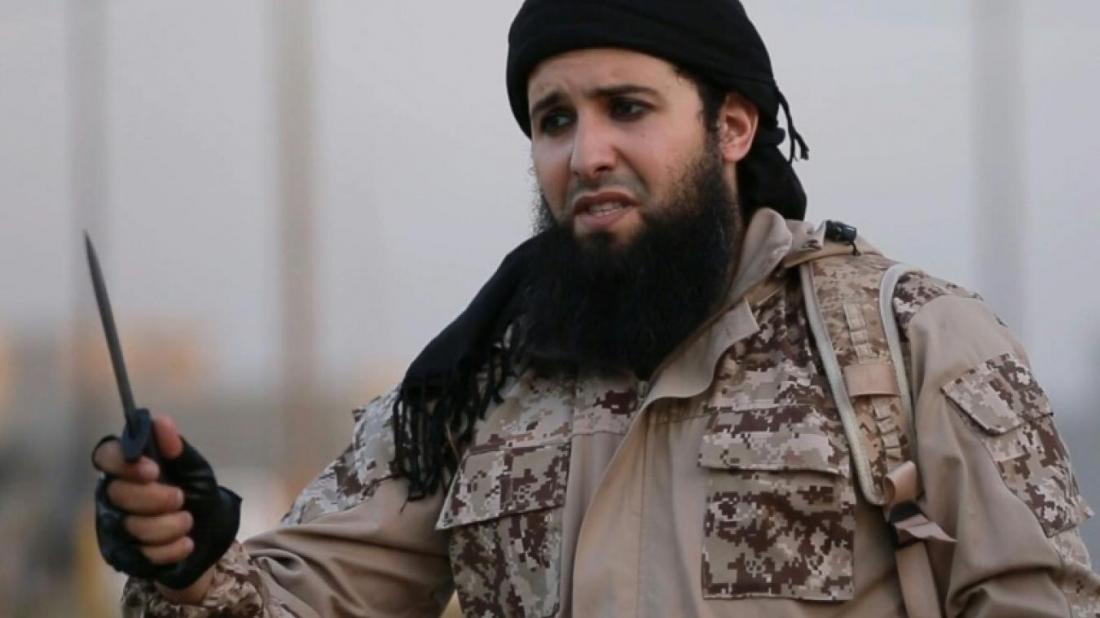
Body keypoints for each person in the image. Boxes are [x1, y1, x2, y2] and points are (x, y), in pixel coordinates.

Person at [92, 1, 1100, 616]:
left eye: (626, 108)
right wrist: (189, 559)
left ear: (731, 126)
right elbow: (300, 603)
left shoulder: (909, 340)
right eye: (553, 120)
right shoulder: (478, 382)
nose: (586, 153)